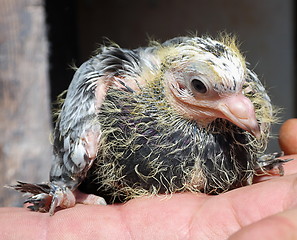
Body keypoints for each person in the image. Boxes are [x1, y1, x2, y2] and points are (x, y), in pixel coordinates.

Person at [1, 119, 297, 239]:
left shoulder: (236, 117)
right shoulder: (112, 90)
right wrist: (66, 187)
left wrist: (249, 166)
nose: (242, 110)